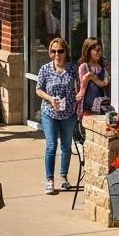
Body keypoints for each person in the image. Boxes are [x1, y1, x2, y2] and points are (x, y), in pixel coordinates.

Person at [36, 37, 78, 194]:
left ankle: (64, 177)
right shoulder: (45, 69)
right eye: (53, 51)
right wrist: (50, 99)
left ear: (65, 52)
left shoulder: (73, 69)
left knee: (66, 147)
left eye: (60, 51)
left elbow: (79, 88)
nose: (57, 54)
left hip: (69, 114)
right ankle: (49, 179)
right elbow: (38, 89)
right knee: (51, 146)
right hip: (49, 113)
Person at [76, 37, 111, 117]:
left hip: (103, 107)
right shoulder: (84, 67)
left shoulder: (104, 66)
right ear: (88, 51)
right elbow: (82, 84)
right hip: (88, 108)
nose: (100, 52)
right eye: (97, 50)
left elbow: (106, 82)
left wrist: (92, 77)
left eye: (101, 50)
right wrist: (89, 77)